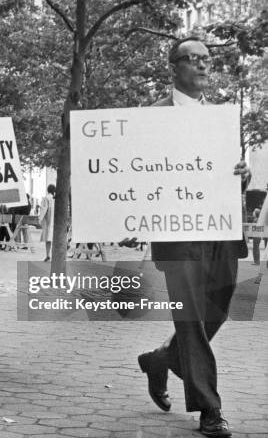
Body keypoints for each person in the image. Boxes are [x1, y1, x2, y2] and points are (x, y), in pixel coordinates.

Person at [132, 37, 251, 438]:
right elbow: (136, 173)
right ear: (173, 67)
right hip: (177, 234)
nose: (202, 66)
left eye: (206, 59)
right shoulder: (151, 117)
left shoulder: (220, 116)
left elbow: (227, 170)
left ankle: (161, 359)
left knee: (217, 308)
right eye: (192, 59)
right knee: (191, 319)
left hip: (220, 229)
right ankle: (209, 409)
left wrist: (241, 173)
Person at [39, 184, 55, 262]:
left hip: (48, 221)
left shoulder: (46, 198)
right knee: (54, 239)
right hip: (55, 222)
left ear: (47, 190)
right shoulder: (56, 199)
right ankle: (54, 256)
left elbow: (43, 209)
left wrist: (40, 219)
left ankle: (48, 255)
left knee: (48, 239)